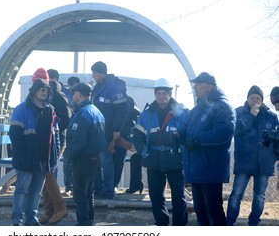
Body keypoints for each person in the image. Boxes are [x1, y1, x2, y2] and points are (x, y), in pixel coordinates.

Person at [180, 72, 236, 226]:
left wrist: (197, 141)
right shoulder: (197, 109)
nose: (195, 87)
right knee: (201, 213)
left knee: (214, 213)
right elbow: (187, 130)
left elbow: (224, 133)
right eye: (194, 84)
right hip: (197, 169)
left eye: (199, 84)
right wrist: (178, 134)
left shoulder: (223, 106)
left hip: (210, 170)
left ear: (210, 87)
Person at [132, 78, 189, 226]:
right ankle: (161, 224)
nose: (161, 96)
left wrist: (181, 144)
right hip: (154, 160)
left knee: (178, 196)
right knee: (156, 196)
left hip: (175, 159)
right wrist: (145, 152)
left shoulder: (182, 113)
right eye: (158, 93)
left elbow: (189, 134)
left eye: (164, 93)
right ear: (155, 94)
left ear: (170, 94)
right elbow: (137, 135)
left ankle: (179, 226)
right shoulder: (146, 114)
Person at [9, 76, 61, 226]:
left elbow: (55, 135)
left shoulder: (50, 110)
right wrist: (22, 154)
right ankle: (16, 221)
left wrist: (54, 156)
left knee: (36, 192)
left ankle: (31, 219)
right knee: (21, 191)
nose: (45, 92)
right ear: (34, 92)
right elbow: (15, 135)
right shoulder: (21, 109)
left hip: (43, 159)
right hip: (26, 158)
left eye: (47, 90)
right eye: (42, 89)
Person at [226, 85, 278, 226]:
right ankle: (229, 223)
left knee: (259, 197)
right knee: (236, 195)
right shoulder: (239, 113)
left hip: (264, 164)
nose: (255, 101)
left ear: (262, 100)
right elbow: (236, 131)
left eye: (258, 98)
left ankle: (254, 223)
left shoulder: (271, 116)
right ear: (247, 99)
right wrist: (251, 116)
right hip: (244, 162)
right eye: (252, 98)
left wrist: (273, 159)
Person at [65, 83, 106, 226]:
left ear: (78, 94)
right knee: (89, 193)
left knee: (80, 194)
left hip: (83, 159)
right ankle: (89, 221)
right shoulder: (96, 111)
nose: (72, 97)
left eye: (73, 94)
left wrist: (71, 156)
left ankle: (83, 223)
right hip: (94, 158)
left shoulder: (83, 113)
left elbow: (78, 140)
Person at [31, 68, 68, 225]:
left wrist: (53, 130)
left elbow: (66, 118)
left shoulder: (56, 95)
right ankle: (49, 210)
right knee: (44, 173)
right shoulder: (52, 93)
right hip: (47, 140)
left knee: (47, 173)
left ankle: (60, 208)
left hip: (55, 141)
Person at [91, 61, 129, 199]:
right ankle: (98, 189)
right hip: (96, 131)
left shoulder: (113, 86)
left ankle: (108, 191)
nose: (93, 76)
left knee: (106, 161)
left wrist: (116, 129)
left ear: (100, 73)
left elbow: (122, 108)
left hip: (107, 132)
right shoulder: (99, 87)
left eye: (94, 73)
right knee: (96, 161)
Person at [62, 75, 81, 195]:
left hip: (72, 135)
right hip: (71, 136)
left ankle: (71, 186)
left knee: (70, 162)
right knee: (68, 161)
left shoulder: (67, 98)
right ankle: (70, 186)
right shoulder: (69, 98)